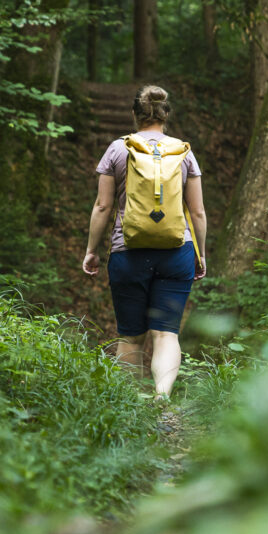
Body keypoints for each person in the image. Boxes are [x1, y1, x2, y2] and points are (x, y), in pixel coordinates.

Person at [82, 85, 207, 401]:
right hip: (177, 251)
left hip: (129, 251)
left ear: (134, 114)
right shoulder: (183, 151)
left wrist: (91, 250)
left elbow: (102, 206)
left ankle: (131, 410)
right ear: (167, 115)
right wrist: (200, 254)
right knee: (166, 334)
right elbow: (198, 211)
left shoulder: (117, 149)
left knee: (131, 339)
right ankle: (161, 398)